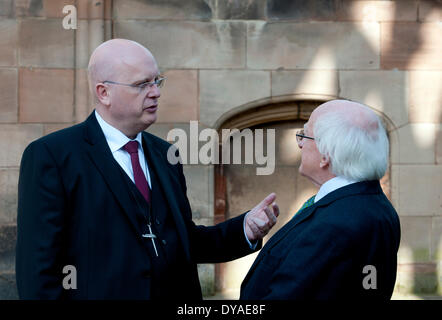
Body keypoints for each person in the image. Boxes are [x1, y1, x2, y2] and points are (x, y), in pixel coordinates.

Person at [15, 39, 279, 300]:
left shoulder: (166, 154)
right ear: (103, 92)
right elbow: (37, 270)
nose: (156, 92)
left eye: (156, 81)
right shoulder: (53, 155)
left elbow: (183, 241)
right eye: (142, 84)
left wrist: (244, 229)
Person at [240, 99, 401, 300]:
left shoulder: (334, 224)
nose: (299, 143)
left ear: (326, 155)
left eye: (305, 135)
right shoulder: (373, 204)